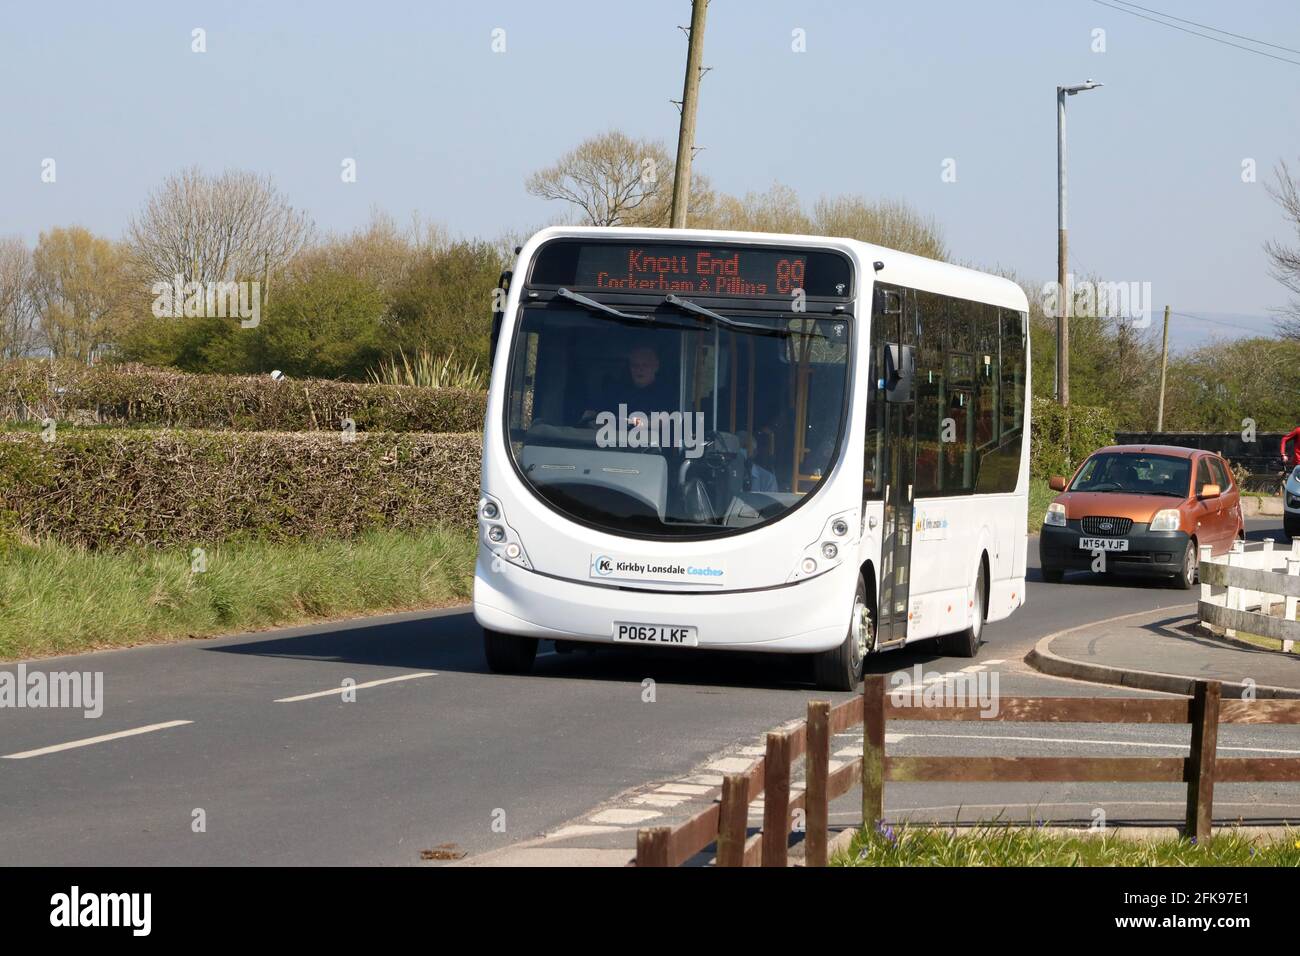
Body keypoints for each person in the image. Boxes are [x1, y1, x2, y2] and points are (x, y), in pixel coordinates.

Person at [581, 343, 675, 425]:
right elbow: (597, 416)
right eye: (635, 365)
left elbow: (662, 423)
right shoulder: (616, 393)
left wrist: (631, 422)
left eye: (645, 365)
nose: (639, 369)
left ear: (656, 366)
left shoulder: (668, 395)